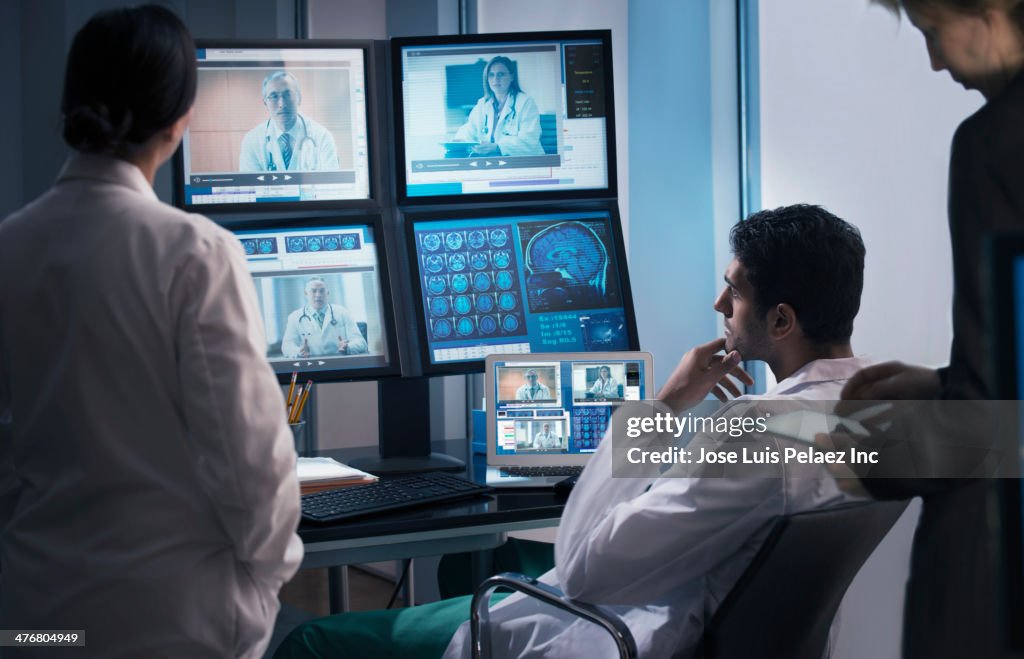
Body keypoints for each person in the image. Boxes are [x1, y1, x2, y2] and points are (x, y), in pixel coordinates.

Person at [274, 204, 872, 659]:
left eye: (735, 291)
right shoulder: (887, 413)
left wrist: (664, 406)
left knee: (316, 642)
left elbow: (584, 570)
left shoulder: (755, 435)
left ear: (782, 319)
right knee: (494, 555)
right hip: (702, 617)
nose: (720, 304)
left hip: (620, 634)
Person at [0, 6, 302, 659]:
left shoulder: (9, 245)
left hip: (32, 623)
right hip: (168, 621)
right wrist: (264, 578)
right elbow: (251, 454)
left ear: (68, 108)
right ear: (180, 117)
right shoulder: (194, 252)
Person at [831, 2, 1024, 656]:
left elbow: (993, 434)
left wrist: (862, 446)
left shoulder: (996, 143)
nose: (935, 60)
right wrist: (948, 379)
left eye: (931, 32)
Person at [239, 70, 340, 172]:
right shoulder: (252, 140)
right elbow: (250, 185)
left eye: (288, 95)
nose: (282, 104)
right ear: (265, 103)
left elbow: (332, 183)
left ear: (299, 99)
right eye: (274, 96)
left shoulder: (322, 137)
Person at [451, 55, 545, 157]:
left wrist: (498, 147)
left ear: (512, 77)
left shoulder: (525, 102)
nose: (495, 79)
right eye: (491, 75)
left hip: (526, 161)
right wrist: (460, 140)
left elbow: (529, 140)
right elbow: (469, 129)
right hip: (495, 161)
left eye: (501, 74)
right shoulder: (482, 104)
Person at [280, 276, 368, 358]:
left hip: (340, 366)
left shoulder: (342, 312)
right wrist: (299, 351)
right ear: (306, 293)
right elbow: (287, 346)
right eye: (313, 291)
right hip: (311, 367)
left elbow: (361, 342)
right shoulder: (294, 317)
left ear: (328, 293)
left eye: (322, 291)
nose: (318, 295)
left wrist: (348, 347)